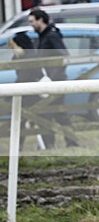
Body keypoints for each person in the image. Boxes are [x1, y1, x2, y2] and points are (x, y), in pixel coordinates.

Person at [28, 8, 76, 148]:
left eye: (32, 21)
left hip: (54, 80)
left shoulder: (51, 36)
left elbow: (63, 55)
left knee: (56, 112)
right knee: (51, 112)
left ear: (40, 20)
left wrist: (51, 77)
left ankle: (63, 142)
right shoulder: (44, 35)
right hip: (50, 79)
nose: (31, 24)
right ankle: (52, 142)